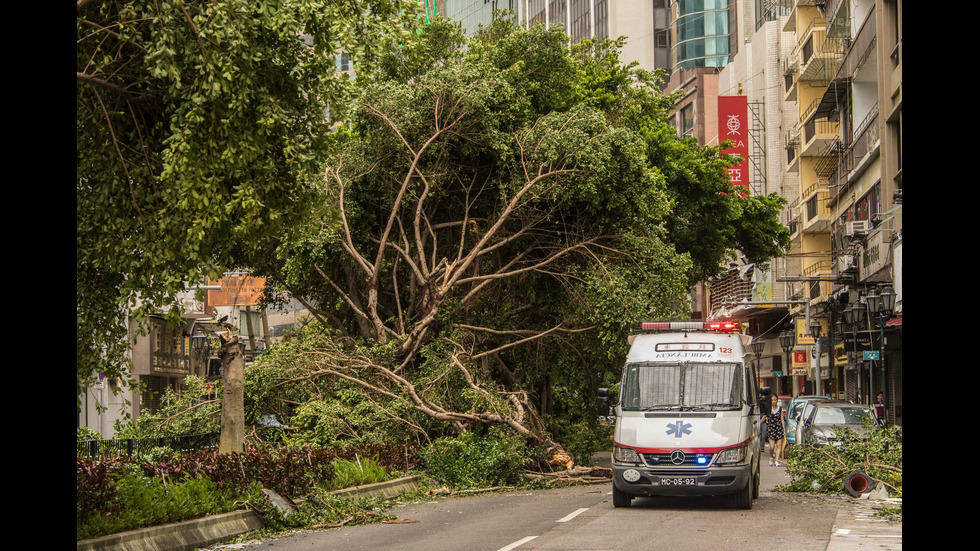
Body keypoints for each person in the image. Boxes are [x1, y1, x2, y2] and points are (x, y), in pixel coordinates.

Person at [763, 395, 786, 466]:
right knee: (772, 447)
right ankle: (771, 457)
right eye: (772, 400)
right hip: (771, 429)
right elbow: (763, 418)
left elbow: (782, 420)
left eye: (775, 400)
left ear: (777, 401)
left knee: (779, 445)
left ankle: (777, 460)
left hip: (779, 429)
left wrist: (784, 430)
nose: (773, 402)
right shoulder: (768, 409)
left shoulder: (780, 409)